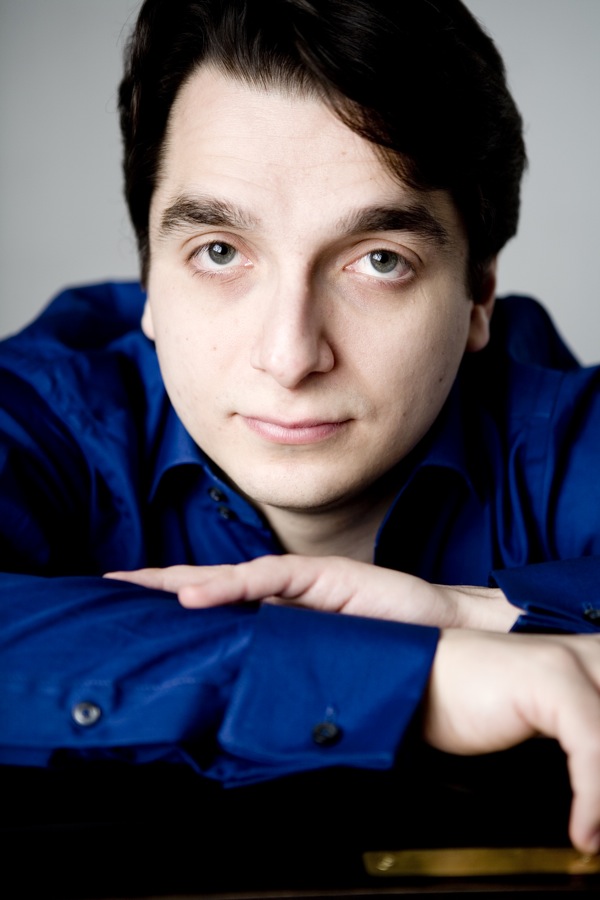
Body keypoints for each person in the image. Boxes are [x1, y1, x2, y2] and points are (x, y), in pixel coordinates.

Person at [1, 0, 600, 858]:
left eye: (379, 261)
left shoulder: (560, 431)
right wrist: (418, 674)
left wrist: (481, 612)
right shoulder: (48, 413)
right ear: (149, 285)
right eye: (219, 252)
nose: (289, 356)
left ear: (478, 297)